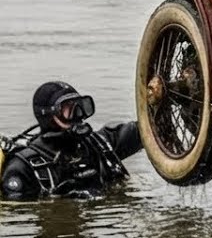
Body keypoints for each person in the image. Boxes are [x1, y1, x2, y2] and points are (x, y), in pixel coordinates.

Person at [0, 81, 140, 200]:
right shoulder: (22, 169)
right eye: (68, 109)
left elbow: (146, 131)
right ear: (49, 117)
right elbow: (18, 217)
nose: (78, 115)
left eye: (81, 106)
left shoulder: (100, 144)